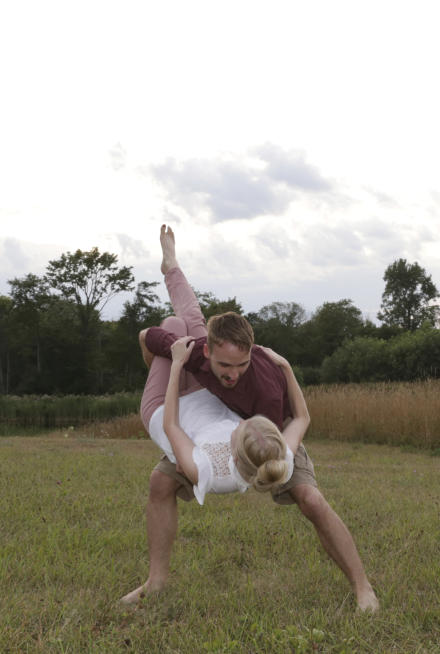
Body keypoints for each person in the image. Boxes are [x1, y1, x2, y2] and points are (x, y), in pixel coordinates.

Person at [121, 225, 378, 612]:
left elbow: (292, 425)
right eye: (224, 364)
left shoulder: (266, 389)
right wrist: (156, 340)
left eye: (241, 365)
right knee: (160, 482)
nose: (232, 373)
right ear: (208, 352)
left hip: (266, 433)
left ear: (251, 355)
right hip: (213, 423)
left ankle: (363, 588)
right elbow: (164, 329)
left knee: (310, 498)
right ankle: (156, 581)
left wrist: (286, 374)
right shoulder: (196, 354)